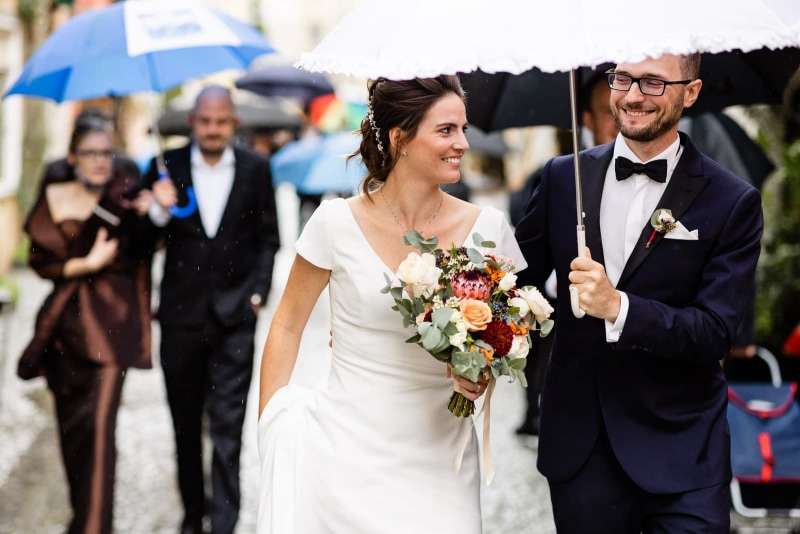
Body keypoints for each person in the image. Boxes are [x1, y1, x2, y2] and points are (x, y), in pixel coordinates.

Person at [256, 75, 525, 533]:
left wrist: (479, 372)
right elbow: (285, 325)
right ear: (401, 138)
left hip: (443, 462)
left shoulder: (489, 228)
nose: (462, 142)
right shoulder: (334, 223)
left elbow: (508, 334)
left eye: (463, 128)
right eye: (446, 130)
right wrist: (271, 426)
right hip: (342, 457)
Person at [515, 53, 763, 533]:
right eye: (623, 79)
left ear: (690, 92)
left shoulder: (732, 200)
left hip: (684, 447)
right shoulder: (562, 178)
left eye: (652, 83)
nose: (631, 96)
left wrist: (618, 307)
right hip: (583, 446)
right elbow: (513, 283)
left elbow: (714, 333)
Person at [144, 85, 280, 534]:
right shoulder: (166, 167)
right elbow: (143, 243)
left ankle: (223, 523)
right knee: (185, 426)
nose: (212, 129)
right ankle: (190, 517)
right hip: (181, 318)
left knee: (228, 428)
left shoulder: (258, 169)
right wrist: (158, 212)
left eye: (221, 121)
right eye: (205, 121)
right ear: (192, 122)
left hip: (235, 320)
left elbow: (269, 239)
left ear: (233, 123)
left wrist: (257, 295)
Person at [17, 118, 154, 534]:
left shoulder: (128, 192)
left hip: (112, 332)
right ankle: (83, 519)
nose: (100, 161)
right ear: (73, 155)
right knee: (74, 439)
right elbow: (43, 264)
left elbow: (146, 250)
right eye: (91, 153)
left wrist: (153, 214)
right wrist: (86, 264)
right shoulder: (55, 193)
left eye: (106, 152)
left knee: (100, 438)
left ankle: (95, 527)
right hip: (64, 333)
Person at [511, 70, 619, 436]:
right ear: (586, 118)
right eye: (608, 110)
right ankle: (532, 414)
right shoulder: (560, 177)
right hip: (561, 315)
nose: (620, 117)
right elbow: (521, 268)